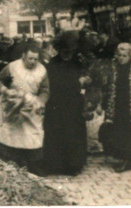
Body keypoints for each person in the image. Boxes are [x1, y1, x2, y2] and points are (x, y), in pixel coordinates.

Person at [0, 45, 49, 176]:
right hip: (12, 106)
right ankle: (11, 167)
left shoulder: (42, 70)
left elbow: (45, 91)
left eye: (35, 59)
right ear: (23, 56)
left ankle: (33, 169)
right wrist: (5, 90)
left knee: (33, 137)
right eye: (30, 58)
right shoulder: (12, 67)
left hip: (31, 107)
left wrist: (40, 102)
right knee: (10, 137)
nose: (33, 62)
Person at [42, 31, 89, 176]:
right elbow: (56, 84)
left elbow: (86, 79)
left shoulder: (77, 63)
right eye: (64, 51)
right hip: (56, 104)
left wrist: (85, 80)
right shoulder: (53, 64)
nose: (67, 54)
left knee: (73, 133)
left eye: (69, 52)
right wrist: (78, 82)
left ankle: (74, 165)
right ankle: (56, 165)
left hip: (74, 104)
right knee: (57, 132)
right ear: (59, 50)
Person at [99, 43, 131, 172]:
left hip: (130, 106)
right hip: (118, 105)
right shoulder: (115, 69)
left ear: (130, 56)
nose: (121, 58)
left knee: (128, 132)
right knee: (118, 132)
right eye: (119, 55)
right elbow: (108, 87)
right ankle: (123, 157)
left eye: (124, 56)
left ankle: (129, 160)